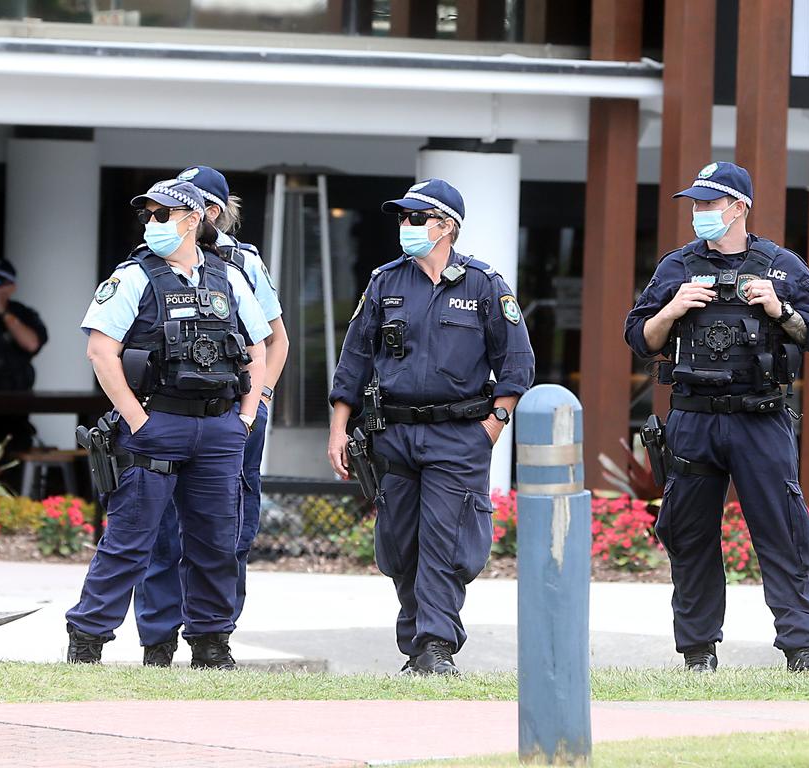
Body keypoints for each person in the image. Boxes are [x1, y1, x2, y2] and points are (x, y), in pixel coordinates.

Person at [624, 161, 809, 675]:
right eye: (695, 204)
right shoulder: (676, 267)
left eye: (709, 203)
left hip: (760, 418)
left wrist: (780, 309)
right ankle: (698, 652)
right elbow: (639, 339)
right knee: (690, 535)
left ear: (739, 207)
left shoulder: (780, 265)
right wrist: (672, 309)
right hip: (694, 418)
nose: (699, 212)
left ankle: (803, 649)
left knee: (781, 532)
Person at [327, 178, 535, 676]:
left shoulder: (484, 284)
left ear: (446, 227)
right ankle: (417, 644)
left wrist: (494, 423)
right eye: (402, 217)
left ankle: (436, 645)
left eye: (416, 218)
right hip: (392, 434)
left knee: (446, 542)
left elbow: (518, 364)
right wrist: (338, 429)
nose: (405, 226)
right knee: (400, 546)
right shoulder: (385, 282)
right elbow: (353, 361)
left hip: (459, 435)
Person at [65, 179, 271, 668]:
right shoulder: (134, 276)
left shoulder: (228, 276)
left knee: (217, 543)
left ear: (194, 219)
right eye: (150, 214)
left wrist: (244, 417)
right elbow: (100, 350)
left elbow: (259, 347)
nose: (153, 223)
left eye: (164, 214)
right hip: (156, 423)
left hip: (219, 428)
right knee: (130, 541)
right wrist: (137, 419)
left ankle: (212, 645)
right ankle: (88, 641)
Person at [132, 166, 289, 667]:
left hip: (229, 413)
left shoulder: (242, 263)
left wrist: (256, 403)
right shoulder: (149, 262)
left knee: (226, 530)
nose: (160, 217)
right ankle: (157, 640)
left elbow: (274, 340)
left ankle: (214, 638)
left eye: (176, 208)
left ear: (210, 213)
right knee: (158, 528)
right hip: (169, 412)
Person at [0, 259, 48, 462]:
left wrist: (3, 313)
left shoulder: (22, 314)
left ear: (11, 287)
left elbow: (31, 343)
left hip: (12, 417)